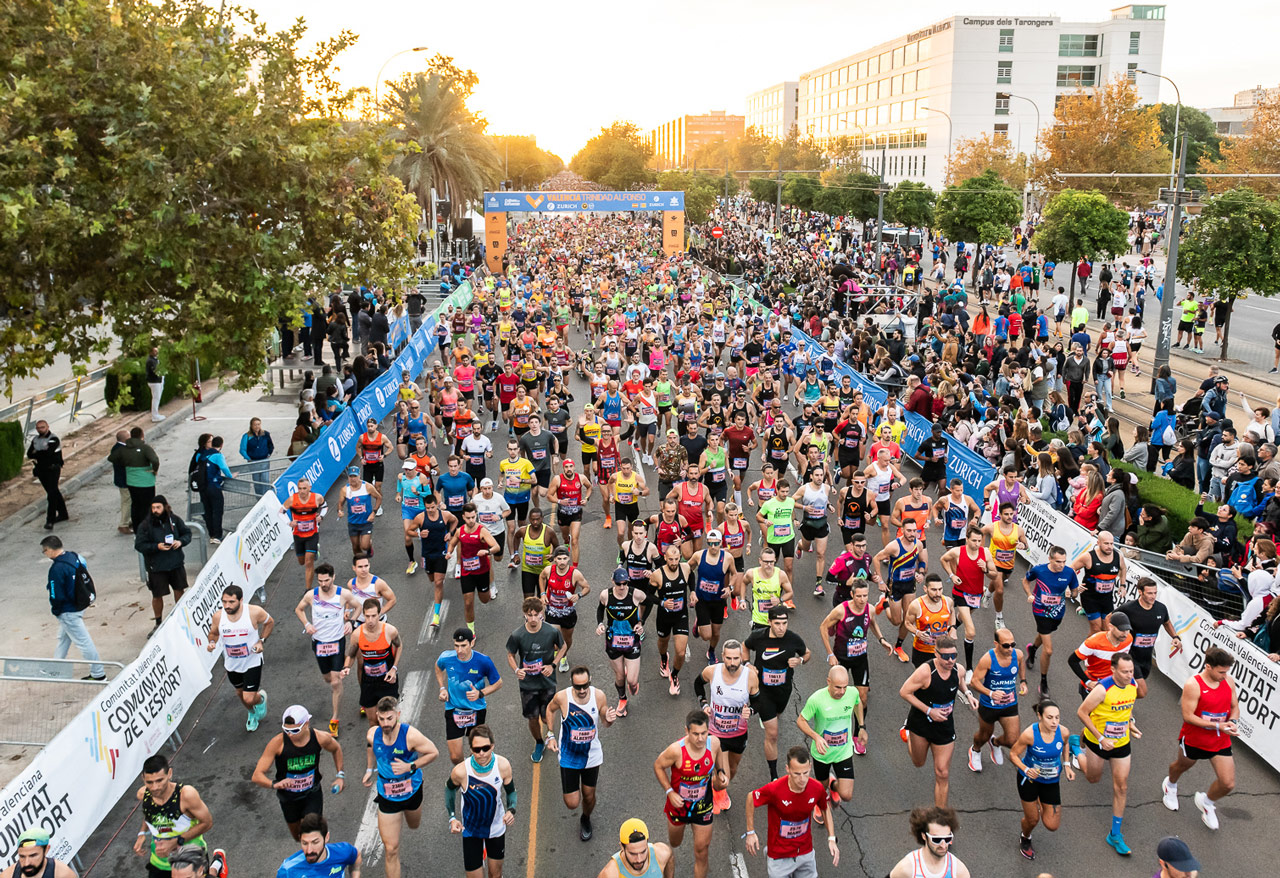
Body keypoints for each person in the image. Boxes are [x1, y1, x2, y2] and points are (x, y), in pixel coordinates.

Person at [1161, 646, 1239, 830]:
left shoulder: (1228, 681)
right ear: (1208, 666)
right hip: (1195, 739)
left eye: (1226, 671)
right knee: (1181, 766)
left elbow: (1234, 706)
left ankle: (1207, 802)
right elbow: (1188, 716)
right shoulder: (1193, 685)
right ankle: (1170, 786)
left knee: (1228, 783)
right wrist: (1218, 725)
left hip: (1220, 740)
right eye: (1221, 671)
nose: (1224, 675)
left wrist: (1233, 721)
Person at [362, 696, 437, 878]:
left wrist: (410, 766)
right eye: (382, 719)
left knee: (413, 825)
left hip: (412, 791)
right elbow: (371, 747)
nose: (386, 723)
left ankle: (407, 815)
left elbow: (433, 752)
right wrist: (369, 769)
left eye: (390, 718)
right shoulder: (373, 733)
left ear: (398, 715)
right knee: (391, 848)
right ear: (377, 717)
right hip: (388, 796)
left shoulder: (410, 735)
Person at [899, 635, 978, 807]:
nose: (950, 660)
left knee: (942, 773)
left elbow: (960, 681)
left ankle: (940, 817)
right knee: (918, 762)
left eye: (953, 656)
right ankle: (907, 732)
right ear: (936, 654)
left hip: (944, 726)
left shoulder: (959, 670)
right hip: (921, 724)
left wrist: (969, 694)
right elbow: (904, 692)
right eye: (945, 656)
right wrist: (929, 711)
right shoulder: (925, 672)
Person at [1076, 652, 1142, 856]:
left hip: (1121, 742)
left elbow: (1127, 709)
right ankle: (1076, 749)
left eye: (1131, 671)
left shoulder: (1133, 686)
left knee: (1121, 786)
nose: (1128, 675)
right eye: (1124, 672)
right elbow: (1082, 712)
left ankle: (1115, 834)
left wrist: (1131, 725)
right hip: (1098, 741)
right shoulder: (1102, 690)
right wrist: (1100, 737)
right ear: (1113, 669)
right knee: (1093, 778)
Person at [544, 665, 618, 841]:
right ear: (572, 684)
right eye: (578, 687)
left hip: (591, 755)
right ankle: (579, 806)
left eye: (585, 685)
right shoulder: (562, 697)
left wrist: (608, 719)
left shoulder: (598, 696)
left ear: (590, 680)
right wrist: (550, 735)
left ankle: (586, 818)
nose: (582, 690)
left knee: (589, 795)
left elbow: (604, 720)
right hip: (569, 756)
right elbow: (549, 709)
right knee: (572, 803)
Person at [250, 704, 344, 840]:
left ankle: (320, 856)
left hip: (312, 793)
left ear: (306, 724)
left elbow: (336, 749)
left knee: (312, 833)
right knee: (298, 836)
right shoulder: (278, 743)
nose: (289, 734)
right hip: (288, 798)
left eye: (294, 731)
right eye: (286, 730)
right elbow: (256, 775)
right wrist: (275, 784)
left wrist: (340, 775)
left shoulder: (319, 737)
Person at [652, 711, 727, 878]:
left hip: (703, 805)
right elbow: (658, 766)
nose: (700, 739)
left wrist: (720, 771)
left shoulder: (713, 743)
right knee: (675, 843)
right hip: (679, 807)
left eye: (704, 733)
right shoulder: (676, 751)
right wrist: (669, 791)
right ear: (687, 731)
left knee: (702, 851)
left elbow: (718, 752)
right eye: (695, 734)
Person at [744, 747, 839, 877]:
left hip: (805, 853)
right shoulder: (775, 789)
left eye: (805, 773)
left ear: (810, 767)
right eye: (797, 774)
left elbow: (824, 808)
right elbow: (751, 798)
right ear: (788, 769)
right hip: (779, 856)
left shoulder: (816, 788)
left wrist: (831, 838)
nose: (802, 779)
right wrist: (750, 832)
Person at [294, 563, 361, 736]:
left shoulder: (343, 594)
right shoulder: (312, 595)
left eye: (326, 580)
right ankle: (333, 685)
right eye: (320, 581)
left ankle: (335, 719)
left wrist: (351, 621)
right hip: (319, 643)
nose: (323, 584)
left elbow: (358, 606)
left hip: (337, 642)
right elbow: (299, 609)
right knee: (327, 678)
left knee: (336, 681)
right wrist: (307, 624)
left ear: (333, 577)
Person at [694, 639, 759, 813]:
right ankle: (715, 790)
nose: (732, 663)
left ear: (741, 657)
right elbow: (698, 684)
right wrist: (705, 704)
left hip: (738, 734)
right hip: (716, 734)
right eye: (729, 658)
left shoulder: (750, 676)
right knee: (724, 778)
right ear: (722, 656)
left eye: (736, 658)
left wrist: (751, 710)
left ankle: (717, 785)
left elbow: (758, 701)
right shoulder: (712, 671)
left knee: (732, 768)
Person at [446, 726, 516, 878]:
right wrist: (452, 817)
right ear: (471, 749)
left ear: (492, 746)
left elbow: (511, 792)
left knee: (495, 875)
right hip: (471, 831)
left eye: (486, 748)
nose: (482, 753)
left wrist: (511, 810)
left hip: (496, 828)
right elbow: (449, 790)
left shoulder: (503, 765)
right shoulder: (461, 771)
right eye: (477, 749)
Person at [1009, 699, 1074, 861]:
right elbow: (1013, 754)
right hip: (1029, 780)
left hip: (1051, 782)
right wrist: (1026, 769)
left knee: (1052, 825)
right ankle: (1025, 837)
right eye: (1050, 717)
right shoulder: (1030, 734)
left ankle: (1040, 800)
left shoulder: (1063, 732)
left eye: (1057, 718)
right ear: (1040, 716)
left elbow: (1065, 744)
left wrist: (1066, 765)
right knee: (1033, 819)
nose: (1054, 722)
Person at [796, 665, 864, 819]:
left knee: (846, 795)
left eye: (845, 687)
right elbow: (800, 720)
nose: (842, 692)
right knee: (821, 787)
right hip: (822, 753)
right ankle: (821, 801)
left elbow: (858, 703)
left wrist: (861, 726)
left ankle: (834, 785)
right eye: (838, 687)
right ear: (828, 682)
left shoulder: (852, 693)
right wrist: (816, 737)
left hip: (843, 751)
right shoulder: (816, 699)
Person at [506, 596, 565, 763]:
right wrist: (517, 670)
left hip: (547, 682)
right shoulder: (517, 635)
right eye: (529, 614)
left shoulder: (551, 631)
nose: (532, 618)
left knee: (547, 717)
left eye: (536, 614)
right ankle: (539, 743)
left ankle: (552, 736)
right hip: (528, 684)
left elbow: (563, 647)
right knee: (533, 718)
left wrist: (553, 665)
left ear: (542, 614)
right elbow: (510, 654)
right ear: (524, 614)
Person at [133, 755, 214, 877]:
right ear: (143, 779)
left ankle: (217, 865)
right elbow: (149, 814)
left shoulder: (186, 795)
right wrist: (142, 833)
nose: (155, 787)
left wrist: (176, 842)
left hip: (190, 862)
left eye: (160, 780)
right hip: (159, 863)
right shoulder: (143, 794)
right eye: (149, 782)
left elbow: (207, 823)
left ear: (169, 773)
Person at [207, 584, 272, 730]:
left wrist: (261, 641)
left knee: (249, 697)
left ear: (241, 600)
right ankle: (251, 713)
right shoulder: (218, 616)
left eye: (231, 602)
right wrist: (212, 642)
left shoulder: (254, 612)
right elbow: (214, 633)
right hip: (232, 663)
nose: (227, 605)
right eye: (224, 602)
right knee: (240, 693)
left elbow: (269, 623)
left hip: (252, 661)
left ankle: (260, 699)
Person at [39, 535, 105, 680]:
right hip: (80, 602)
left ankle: (98, 673)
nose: (45, 554)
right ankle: (55, 669)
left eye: (44, 551)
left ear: (49, 550)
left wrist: (56, 611)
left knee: (83, 642)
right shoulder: (74, 556)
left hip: (68, 611)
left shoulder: (56, 569)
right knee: (63, 637)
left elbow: (56, 595)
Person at [435, 627, 503, 765]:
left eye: (463, 646)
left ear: (472, 643)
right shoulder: (446, 657)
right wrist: (442, 688)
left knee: (478, 753)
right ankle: (464, 774)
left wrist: (480, 693)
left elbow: (498, 683)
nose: (459, 650)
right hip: (454, 708)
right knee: (455, 757)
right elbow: (438, 668)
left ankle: (475, 776)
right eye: (456, 646)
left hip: (476, 710)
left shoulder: (483, 661)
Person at [966, 629, 1028, 772]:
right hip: (989, 705)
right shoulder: (988, 659)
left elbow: (1021, 664)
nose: (1010, 648)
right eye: (1006, 645)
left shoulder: (1017, 655)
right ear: (996, 644)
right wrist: (991, 693)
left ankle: (995, 742)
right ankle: (975, 750)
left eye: (1013, 644)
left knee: (1013, 740)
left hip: (1010, 704)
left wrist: (1023, 681)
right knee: (983, 735)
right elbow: (974, 682)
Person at [1023, 546, 1081, 696]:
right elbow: (1025, 581)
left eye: (1064, 562)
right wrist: (1029, 594)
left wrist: (1073, 593)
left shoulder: (1069, 572)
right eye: (1058, 562)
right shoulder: (1039, 570)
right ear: (1049, 559)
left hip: (1057, 612)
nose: (1061, 565)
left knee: (1045, 634)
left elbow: (1074, 593)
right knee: (1048, 650)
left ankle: (1033, 648)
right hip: (1040, 610)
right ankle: (1043, 682)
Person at [135, 496, 193, 635]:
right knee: (157, 595)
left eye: (158, 507)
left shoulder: (175, 520)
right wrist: (157, 546)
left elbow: (187, 533)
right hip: (156, 567)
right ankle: (158, 622)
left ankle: (180, 618)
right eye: (153, 508)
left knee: (179, 590)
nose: (155, 510)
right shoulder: (145, 525)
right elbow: (139, 545)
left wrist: (180, 542)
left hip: (176, 563)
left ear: (165, 507)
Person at [1116, 577, 1180, 698]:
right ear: (1140, 592)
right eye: (1149, 593)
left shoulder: (1161, 608)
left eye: (1155, 593)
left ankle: (1118, 703)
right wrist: (1116, 637)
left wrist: (1175, 637)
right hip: (1129, 656)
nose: (1153, 596)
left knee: (1130, 688)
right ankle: (1122, 708)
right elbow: (1110, 618)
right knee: (1141, 691)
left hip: (1146, 657)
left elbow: (1167, 623)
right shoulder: (1129, 608)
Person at [343, 600, 402, 727]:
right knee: (373, 722)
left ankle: (393, 744)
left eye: (374, 616)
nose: (370, 620)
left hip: (387, 681)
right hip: (368, 682)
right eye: (367, 616)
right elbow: (352, 654)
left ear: (379, 614)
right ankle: (378, 746)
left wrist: (394, 668)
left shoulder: (390, 631)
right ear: (363, 615)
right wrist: (346, 667)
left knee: (389, 721)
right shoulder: (357, 634)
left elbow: (399, 646)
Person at [597, 566, 647, 716]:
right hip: (613, 641)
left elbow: (649, 602)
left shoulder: (635, 594)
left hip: (632, 641)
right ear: (613, 582)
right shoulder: (606, 595)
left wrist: (641, 623)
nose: (622, 587)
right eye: (619, 584)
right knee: (620, 676)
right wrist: (600, 624)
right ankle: (622, 699)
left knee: (631, 681)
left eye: (625, 583)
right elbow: (600, 609)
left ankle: (631, 683)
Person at [886, 806, 970, 878]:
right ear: (924, 836)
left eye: (948, 838)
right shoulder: (907, 868)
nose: (943, 845)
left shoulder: (959, 871)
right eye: (937, 839)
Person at [275, 813, 360, 878]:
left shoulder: (343, 851)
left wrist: (355, 873)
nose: (309, 850)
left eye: (315, 842)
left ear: (326, 837)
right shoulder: (288, 869)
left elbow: (356, 856)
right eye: (305, 843)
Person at [281, 479, 327, 591]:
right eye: (300, 488)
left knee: (308, 562)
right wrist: (289, 523)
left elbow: (324, 506)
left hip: (312, 534)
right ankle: (315, 551)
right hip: (298, 535)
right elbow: (280, 512)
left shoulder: (317, 497)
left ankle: (308, 589)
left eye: (304, 488)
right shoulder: (292, 499)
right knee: (301, 561)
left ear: (309, 488)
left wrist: (321, 517)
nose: (302, 491)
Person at [114, 426, 161, 530]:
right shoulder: (144, 448)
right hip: (145, 482)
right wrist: (155, 470)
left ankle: (136, 526)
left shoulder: (123, 449)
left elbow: (112, 458)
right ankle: (142, 525)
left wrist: (126, 465)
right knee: (145, 505)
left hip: (131, 481)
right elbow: (155, 460)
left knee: (135, 504)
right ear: (142, 436)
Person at [596, 819, 674, 878]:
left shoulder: (663, 853)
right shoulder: (610, 874)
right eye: (633, 854)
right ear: (622, 847)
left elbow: (670, 859)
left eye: (643, 851)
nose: (639, 859)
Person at [26, 420, 66, 531]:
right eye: (38, 428)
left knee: (52, 494)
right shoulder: (35, 439)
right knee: (53, 492)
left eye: (42, 427)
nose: (40, 429)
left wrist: (38, 453)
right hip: (41, 470)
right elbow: (29, 454)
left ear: (47, 427)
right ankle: (63, 514)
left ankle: (50, 520)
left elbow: (48, 454)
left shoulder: (53, 438)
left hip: (53, 469)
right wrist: (42, 452)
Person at [337, 468, 380, 558]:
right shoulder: (345, 490)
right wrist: (340, 511)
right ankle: (361, 564)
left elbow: (379, 498)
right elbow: (340, 503)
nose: (353, 479)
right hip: (353, 522)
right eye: (351, 476)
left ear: (359, 476)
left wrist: (374, 512)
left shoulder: (367, 487)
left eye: (355, 476)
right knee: (356, 546)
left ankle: (369, 546)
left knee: (364, 546)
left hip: (366, 521)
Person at [0, 828, 78, 878]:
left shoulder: (63, 874)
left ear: (46, 850)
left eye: (33, 856)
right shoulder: (7, 875)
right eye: (22, 856)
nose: (27, 863)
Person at [240, 417, 275, 494]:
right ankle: (259, 497)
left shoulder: (266, 434)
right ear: (251, 426)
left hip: (264, 460)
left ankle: (266, 497)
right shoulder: (246, 436)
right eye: (255, 425)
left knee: (265, 480)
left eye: (258, 424)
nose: (257, 426)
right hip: (254, 462)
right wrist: (248, 458)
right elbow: (242, 449)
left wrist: (269, 453)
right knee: (257, 481)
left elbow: (271, 445)